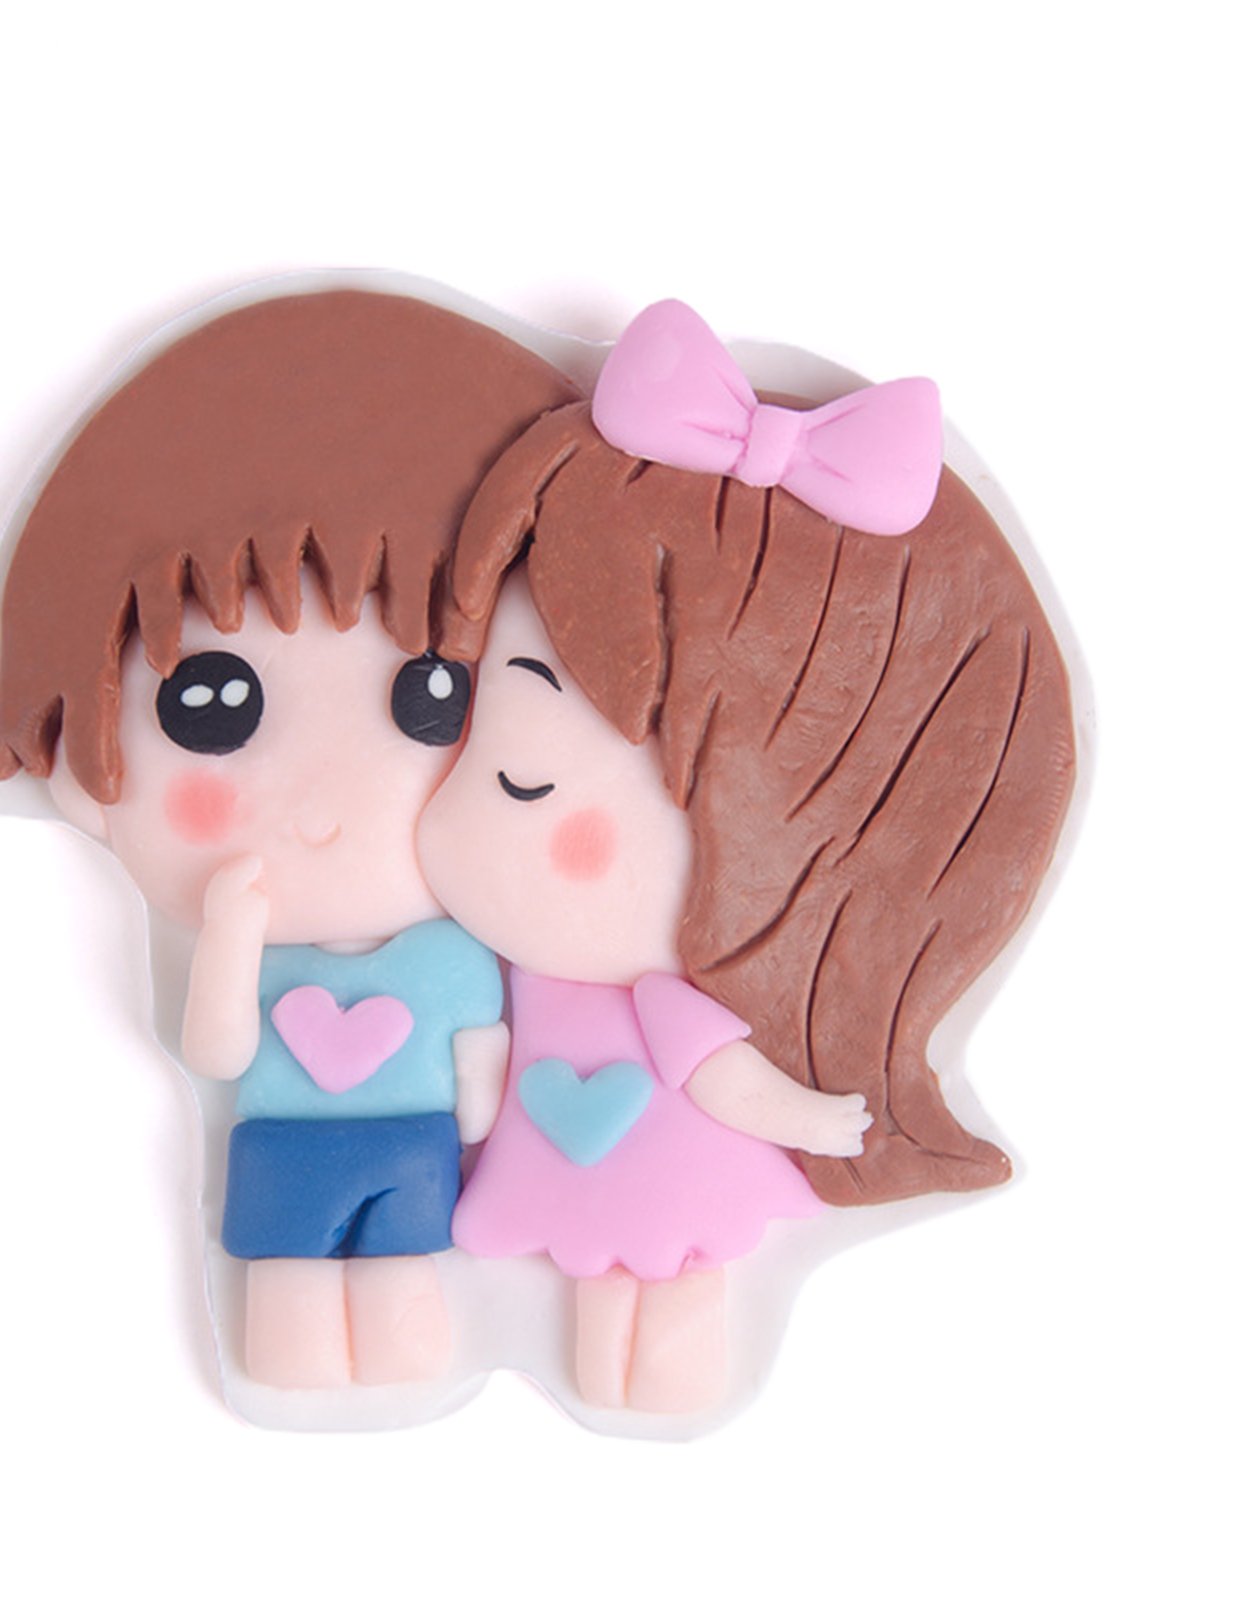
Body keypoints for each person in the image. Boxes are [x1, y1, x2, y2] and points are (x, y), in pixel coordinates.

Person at [419, 300, 1076, 1412]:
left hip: (676, 1175)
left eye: (523, 782)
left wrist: (815, 1121)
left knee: (670, 1279)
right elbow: (476, 1056)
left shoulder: (666, 995)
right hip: (556, 1166)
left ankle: (666, 1374)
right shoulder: (506, 976)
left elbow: (722, 1077)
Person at [0, 287, 577, 1388]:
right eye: (210, 705)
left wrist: (489, 1121)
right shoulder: (263, 949)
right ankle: (296, 1373)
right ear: (80, 773)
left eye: (431, 698)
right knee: (289, 1310)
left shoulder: (451, 954)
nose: (328, 798)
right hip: (282, 1146)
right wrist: (227, 934)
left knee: (405, 1295)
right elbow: (214, 1051)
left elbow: (482, 1062)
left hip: (409, 1151)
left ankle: (398, 1364)